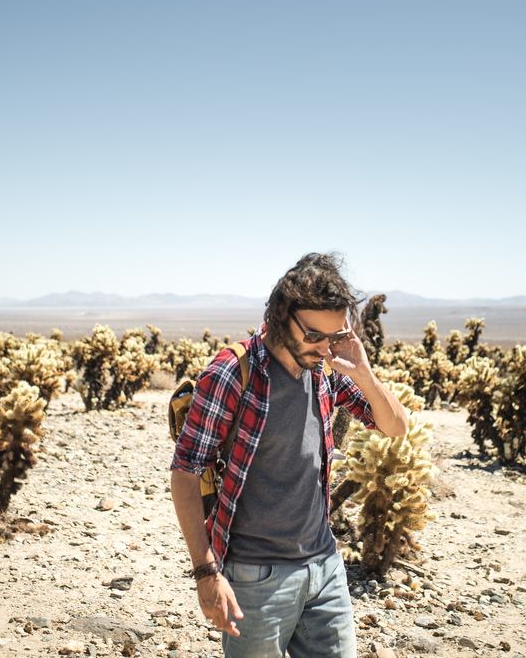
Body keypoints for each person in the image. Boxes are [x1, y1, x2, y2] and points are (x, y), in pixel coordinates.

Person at [170, 252, 410, 657]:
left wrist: (362, 370)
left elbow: (395, 426)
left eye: (334, 336)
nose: (323, 347)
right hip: (255, 575)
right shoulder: (233, 374)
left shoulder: (326, 370)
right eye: (314, 335)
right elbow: (185, 473)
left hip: (325, 567)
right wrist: (206, 573)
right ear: (282, 315)